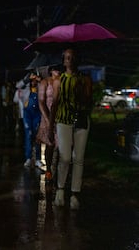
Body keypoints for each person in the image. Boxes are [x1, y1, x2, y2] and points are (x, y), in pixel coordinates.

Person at [49, 48, 93, 210]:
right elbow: (54, 104)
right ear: (63, 60)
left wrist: (82, 92)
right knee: (65, 157)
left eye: (72, 57)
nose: (69, 60)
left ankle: (75, 194)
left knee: (78, 158)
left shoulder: (85, 79)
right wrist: (50, 127)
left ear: (77, 60)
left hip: (81, 120)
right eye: (67, 57)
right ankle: (60, 189)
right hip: (63, 120)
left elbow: (89, 101)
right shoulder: (59, 80)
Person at [36, 64, 61, 181]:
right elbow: (41, 101)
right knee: (50, 144)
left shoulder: (62, 82)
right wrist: (48, 120)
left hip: (61, 116)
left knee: (61, 144)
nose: (58, 72)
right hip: (47, 115)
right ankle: (49, 169)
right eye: (56, 70)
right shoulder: (45, 82)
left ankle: (60, 169)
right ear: (51, 71)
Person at [14, 71, 44, 169]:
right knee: (29, 134)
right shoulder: (25, 88)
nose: (34, 81)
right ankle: (28, 158)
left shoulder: (41, 86)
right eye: (32, 80)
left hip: (37, 114)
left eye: (35, 79)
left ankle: (38, 159)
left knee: (37, 136)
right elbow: (17, 85)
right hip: (27, 114)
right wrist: (27, 78)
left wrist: (40, 80)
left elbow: (48, 86)